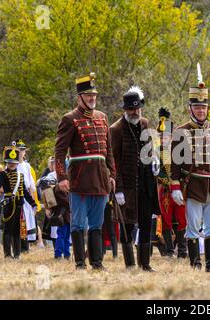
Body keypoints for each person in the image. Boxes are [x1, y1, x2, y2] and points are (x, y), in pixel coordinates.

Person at [55, 72, 116, 270]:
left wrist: (112, 175)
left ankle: (97, 262)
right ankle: (80, 263)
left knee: (97, 224)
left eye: (94, 95)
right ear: (79, 97)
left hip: (100, 179)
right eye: (89, 95)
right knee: (79, 224)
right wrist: (62, 177)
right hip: (80, 180)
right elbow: (59, 151)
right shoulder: (69, 119)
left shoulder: (103, 118)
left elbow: (108, 151)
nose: (92, 99)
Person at [170, 67, 210, 272]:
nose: (201, 111)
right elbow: (174, 163)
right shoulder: (181, 131)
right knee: (192, 227)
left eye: (203, 107)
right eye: (197, 108)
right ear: (190, 108)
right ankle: (195, 264)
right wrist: (174, 187)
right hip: (192, 184)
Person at [110, 86, 160, 272]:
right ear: (125, 109)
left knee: (146, 223)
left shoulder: (145, 123)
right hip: (128, 186)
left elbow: (149, 147)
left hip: (146, 183)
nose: (136, 112)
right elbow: (114, 161)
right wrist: (119, 189)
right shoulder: (115, 129)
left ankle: (145, 264)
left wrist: (154, 159)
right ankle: (130, 265)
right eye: (132, 109)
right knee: (127, 226)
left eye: (138, 108)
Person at [0, 145, 37, 259]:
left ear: (17, 163)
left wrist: (33, 203)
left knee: (17, 230)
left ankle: (17, 253)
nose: (12, 164)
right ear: (6, 163)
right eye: (9, 162)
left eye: (14, 162)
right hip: (8, 204)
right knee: (7, 230)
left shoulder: (20, 175)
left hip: (19, 205)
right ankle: (7, 254)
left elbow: (25, 192)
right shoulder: (3, 174)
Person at [155, 107, 187, 258]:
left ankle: (182, 250)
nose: (163, 139)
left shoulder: (179, 151)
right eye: (161, 136)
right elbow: (156, 173)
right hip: (164, 191)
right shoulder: (155, 153)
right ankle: (168, 250)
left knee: (181, 219)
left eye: (166, 136)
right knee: (166, 220)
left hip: (179, 189)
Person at [14, 139, 37, 252]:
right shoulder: (13, 165)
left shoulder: (27, 165)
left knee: (26, 221)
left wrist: (33, 200)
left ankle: (25, 245)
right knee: (19, 220)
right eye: (19, 150)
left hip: (26, 195)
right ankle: (19, 245)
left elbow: (31, 184)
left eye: (23, 150)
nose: (21, 152)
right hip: (16, 195)